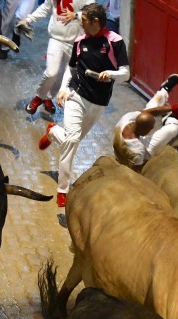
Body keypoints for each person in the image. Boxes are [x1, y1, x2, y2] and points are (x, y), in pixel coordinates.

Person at [38, 3, 129, 207]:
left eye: (84, 21)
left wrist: (111, 74)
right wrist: (63, 89)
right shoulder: (79, 42)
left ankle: (53, 132)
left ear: (95, 22)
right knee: (71, 140)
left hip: (99, 103)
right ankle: (63, 190)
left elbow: (126, 73)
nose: (81, 24)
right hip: (76, 96)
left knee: (74, 141)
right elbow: (71, 69)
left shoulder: (115, 41)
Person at [18, 0, 96, 117]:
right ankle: (39, 97)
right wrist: (28, 19)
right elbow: (45, 8)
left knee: (61, 76)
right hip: (56, 38)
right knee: (51, 73)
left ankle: (48, 98)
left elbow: (93, 13)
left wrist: (76, 15)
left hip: (77, 42)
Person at [113, 75, 178, 170]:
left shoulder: (126, 119)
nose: (152, 129)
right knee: (173, 129)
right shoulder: (139, 151)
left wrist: (175, 107)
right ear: (145, 132)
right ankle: (172, 118)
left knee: (149, 109)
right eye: (151, 128)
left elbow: (151, 111)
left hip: (123, 146)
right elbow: (135, 174)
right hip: (130, 157)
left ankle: (164, 90)